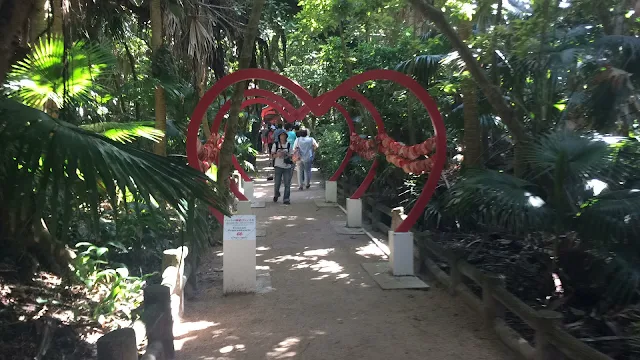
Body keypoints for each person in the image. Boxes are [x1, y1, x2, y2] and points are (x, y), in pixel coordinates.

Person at [271, 132, 293, 204]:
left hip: (287, 167)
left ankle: (286, 199)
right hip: (278, 166)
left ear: (286, 137)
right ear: (279, 136)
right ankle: (276, 194)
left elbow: (292, 155)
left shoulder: (289, 145)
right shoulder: (276, 144)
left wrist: (286, 154)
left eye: (284, 136)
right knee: (277, 182)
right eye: (281, 135)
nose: (282, 137)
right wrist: (278, 154)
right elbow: (272, 155)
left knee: (287, 183)